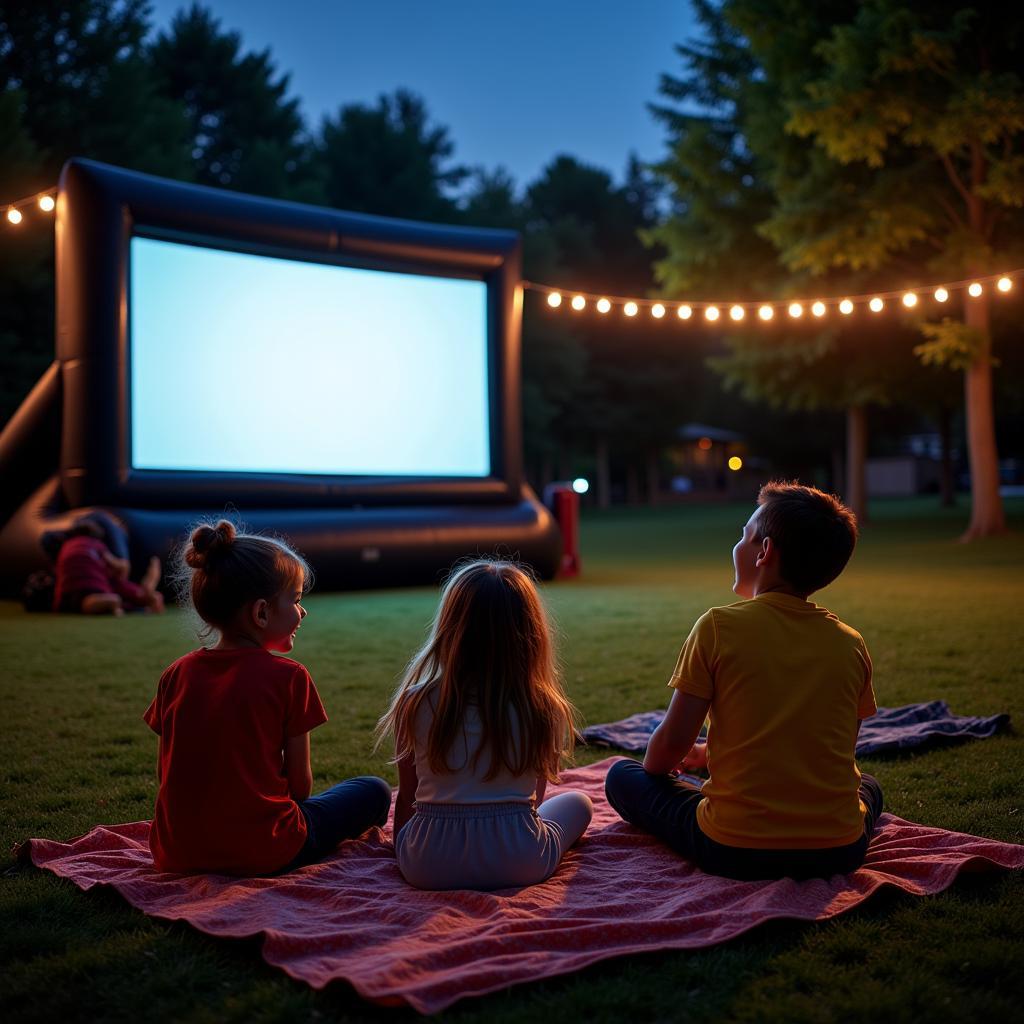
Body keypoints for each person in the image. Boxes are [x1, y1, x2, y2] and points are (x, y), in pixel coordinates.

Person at [605, 481, 884, 880]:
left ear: (764, 552)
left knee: (622, 777)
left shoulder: (718, 626)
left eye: (744, 535)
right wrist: (711, 754)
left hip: (734, 848)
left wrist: (657, 769)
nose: (737, 545)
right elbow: (836, 750)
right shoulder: (851, 643)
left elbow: (670, 743)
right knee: (869, 786)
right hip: (839, 849)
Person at [144, 520, 391, 875]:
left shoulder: (175, 675)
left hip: (177, 852)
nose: (302, 612)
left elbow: (165, 773)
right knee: (373, 791)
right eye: (295, 599)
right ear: (261, 612)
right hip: (266, 850)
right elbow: (300, 789)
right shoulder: (290, 678)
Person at [377, 559, 593, 890]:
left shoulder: (415, 701)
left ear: (450, 630)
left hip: (427, 864)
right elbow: (532, 801)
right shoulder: (542, 706)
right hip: (520, 860)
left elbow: (408, 797)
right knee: (579, 802)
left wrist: (406, 854)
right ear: (530, 635)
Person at [52, 518, 164, 615]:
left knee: (80, 602)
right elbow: (114, 564)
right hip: (93, 584)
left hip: (65, 592)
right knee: (98, 596)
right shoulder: (97, 545)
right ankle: (135, 598)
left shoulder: (66, 546)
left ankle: (102, 603)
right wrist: (121, 566)